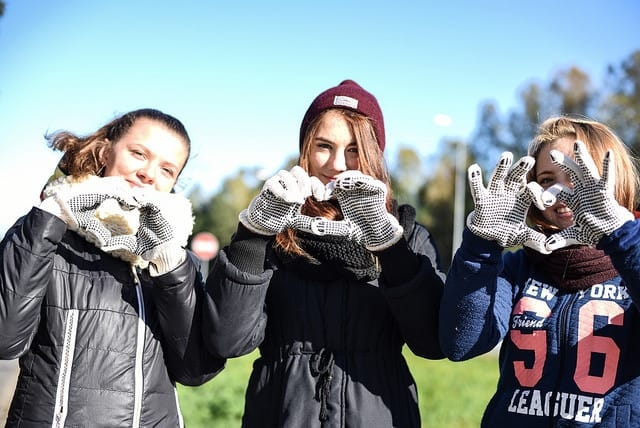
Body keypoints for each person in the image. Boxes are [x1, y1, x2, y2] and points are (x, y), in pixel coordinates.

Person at [202, 79, 446, 427]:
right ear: (304, 149)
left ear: (375, 155)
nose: (337, 164)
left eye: (354, 149)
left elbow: (432, 342)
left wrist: (391, 250)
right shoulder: (270, 229)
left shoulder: (406, 235)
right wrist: (251, 237)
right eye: (323, 146)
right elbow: (227, 339)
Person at [0, 108, 225, 427]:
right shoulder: (45, 234)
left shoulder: (171, 260)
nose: (149, 173)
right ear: (106, 152)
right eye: (138, 153)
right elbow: (4, 338)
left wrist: (169, 267)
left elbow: (196, 370)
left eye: (167, 169)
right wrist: (53, 214)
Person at [440, 115, 640, 427]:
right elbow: (462, 343)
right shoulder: (520, 266)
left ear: (612, 175)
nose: (560, 191)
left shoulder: (633, 256)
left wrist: (620, 235)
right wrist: (480, 245)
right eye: (547, 179)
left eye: (576, 173)